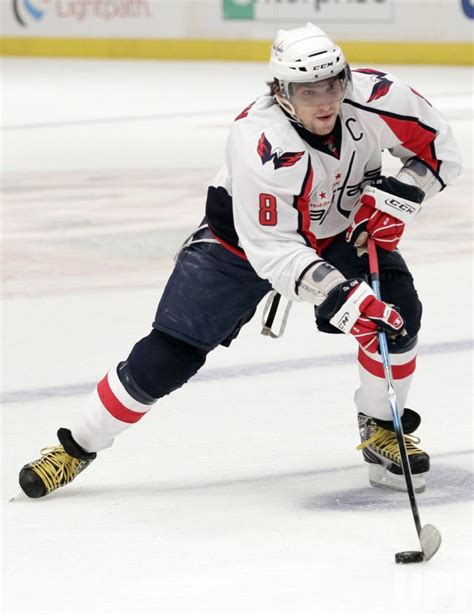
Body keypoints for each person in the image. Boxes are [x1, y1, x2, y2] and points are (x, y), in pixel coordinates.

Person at [19, 23, 461, 499]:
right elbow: (273, 249)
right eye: (307, 91)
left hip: (341, 232)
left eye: (332, 84)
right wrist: (340, 294)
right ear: (281, 92)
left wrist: (400, 195)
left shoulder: (378, 96)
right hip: (239, 249)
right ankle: (76, 446)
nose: (325, 100)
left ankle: (380, 430)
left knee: (398, 319)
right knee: (167, 356)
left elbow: (441, 151)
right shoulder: (259, 140)